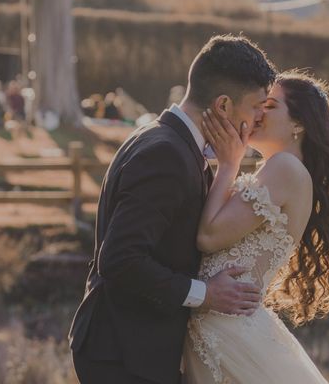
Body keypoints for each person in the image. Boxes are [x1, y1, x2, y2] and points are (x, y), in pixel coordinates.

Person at [69, 34, 277, 384]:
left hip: (136, 347)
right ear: (223, 105)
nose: (259, 119)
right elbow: (121, 259)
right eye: (257, 106)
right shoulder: (165, 154)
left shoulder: (168, 141)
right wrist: (206, 294)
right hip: (123, 352)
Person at [183, 71, 329, 383]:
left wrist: (229, 165)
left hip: (228, 331)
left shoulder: (284, 169)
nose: (258, 113)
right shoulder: (278, 171)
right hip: (221, 325)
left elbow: (208, 236)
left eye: (270, 106)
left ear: (298, 124)